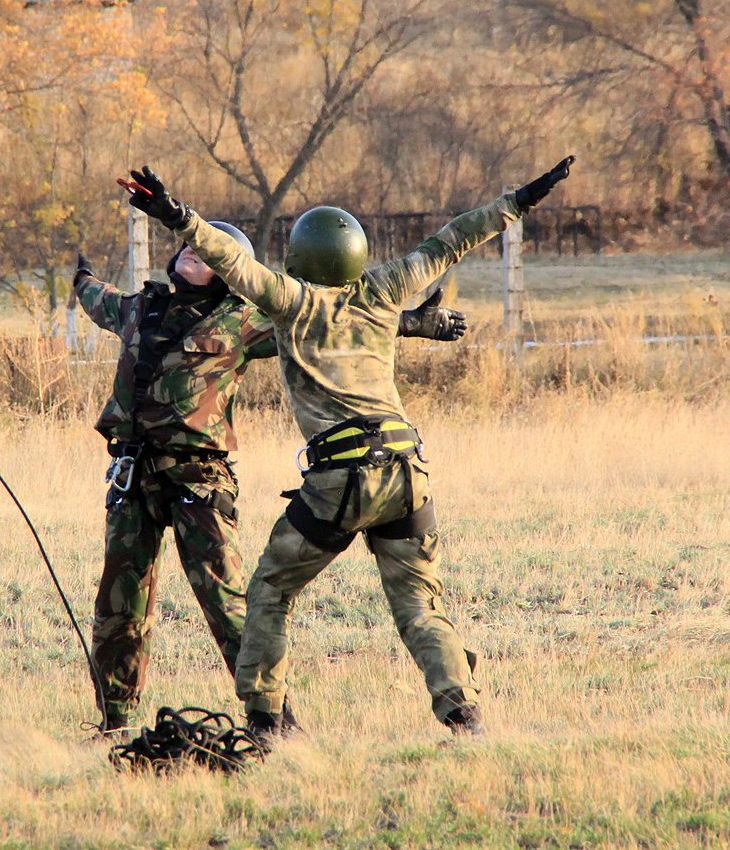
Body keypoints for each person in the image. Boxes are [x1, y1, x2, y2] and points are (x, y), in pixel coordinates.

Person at [118, 156, 574, 741]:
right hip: (409, 470)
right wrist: (519, 200)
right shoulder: (385, 289)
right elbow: (453, 239)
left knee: (269, 591)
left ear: (299, 257)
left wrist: (172, 213)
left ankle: (264, 723)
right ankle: (465, 716)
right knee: (418, 605)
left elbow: (228, 258)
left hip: (342, 477)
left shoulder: (289, 300)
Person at [74, 224, 469, 733]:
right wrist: (81, 274)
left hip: (197, 478)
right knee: (118, 608)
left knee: (231, 604)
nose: (192, 249)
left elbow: (326, 326)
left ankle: (275, 721)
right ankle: (115, 722)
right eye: (189, 244)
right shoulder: (137, 309)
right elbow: (93, 297)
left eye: (210, 250)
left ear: (230, 272)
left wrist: (412, 322)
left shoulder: (245, 320)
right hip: (132, 479)